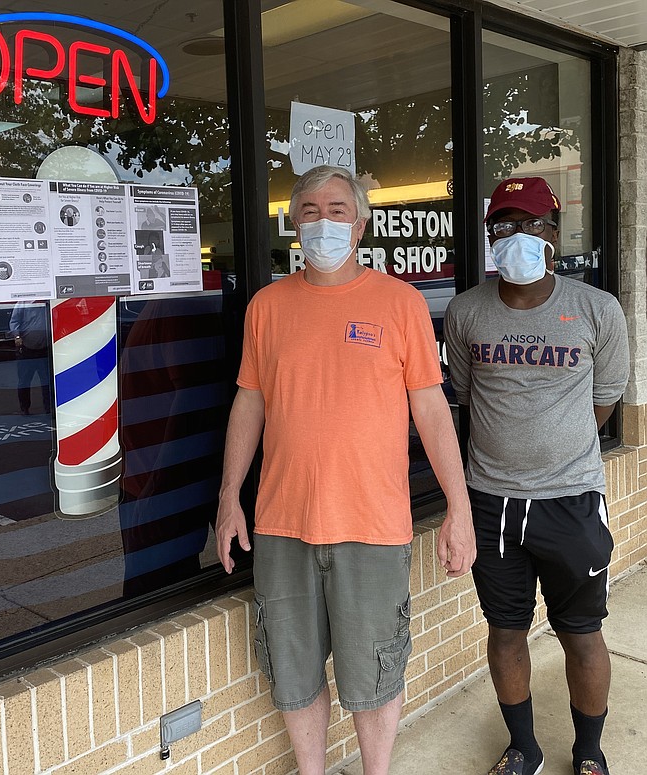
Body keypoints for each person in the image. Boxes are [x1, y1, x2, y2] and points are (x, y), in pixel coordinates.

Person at [216, 165, 475, 775]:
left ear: (360, 224)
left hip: (372, 523)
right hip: (282, 523)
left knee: (374, 675)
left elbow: (432, 410)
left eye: (337, 210)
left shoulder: (400, 303)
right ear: (292, 224)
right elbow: (249, 403)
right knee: (294, 673)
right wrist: (231, 498)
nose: (323, 222)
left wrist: (459, 509)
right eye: (309, 210)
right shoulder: (267, 307)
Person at [443, 177, 630, 775]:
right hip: (491, 504)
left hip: (570, 501)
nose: (517, 237)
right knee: (505, 633)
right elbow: (468, 396)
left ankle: (589, 752)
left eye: (531, 225)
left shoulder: (598, 310)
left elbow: (604, 400)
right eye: (504, 227)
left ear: (554, 234)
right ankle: (524, 746)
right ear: (490, 240)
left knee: (582, 634)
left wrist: (558, 445)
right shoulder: (467, 310)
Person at [10, 301, 51, 415]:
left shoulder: (46, 301)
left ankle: (48, 407)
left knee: (46, 381)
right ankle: (24, 408)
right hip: (26, 350)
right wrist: (17, 336)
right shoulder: (22, 303)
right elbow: (14, 321)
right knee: (24, 381)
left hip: (44, 348)